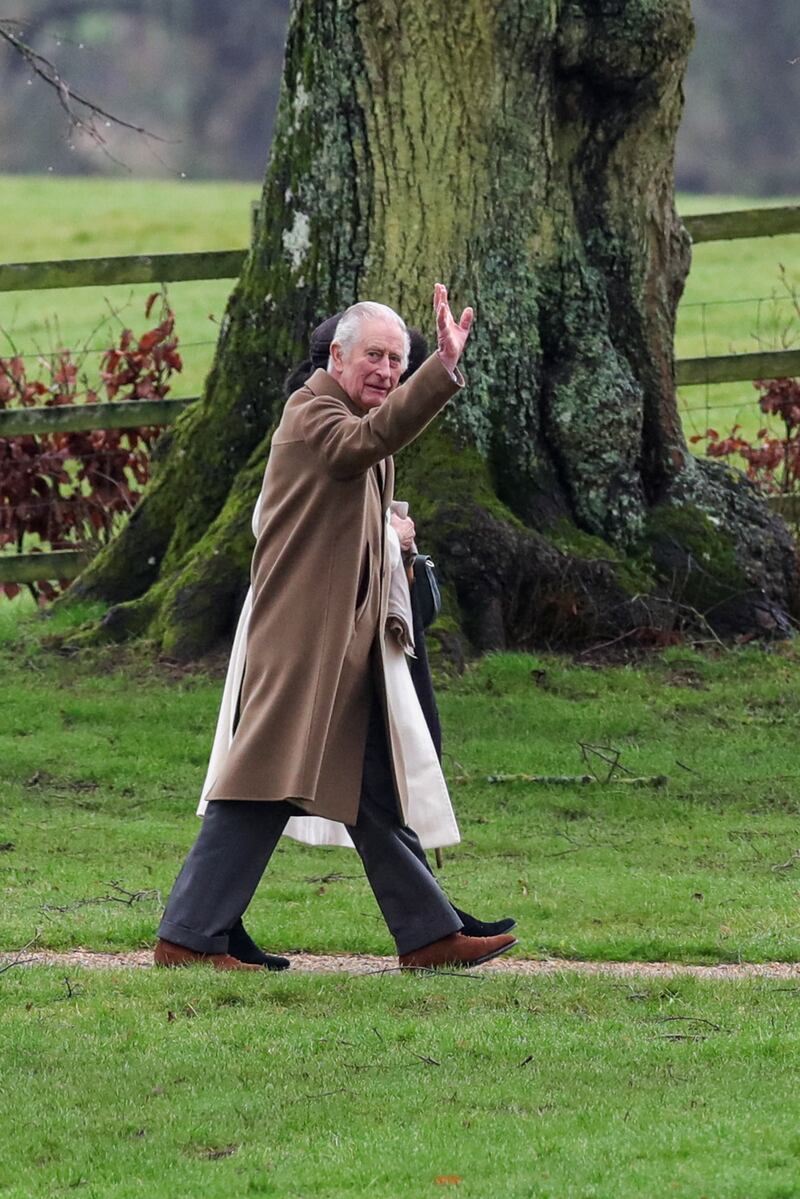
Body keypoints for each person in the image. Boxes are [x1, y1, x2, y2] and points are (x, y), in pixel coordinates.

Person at [154, 285, 517, 972]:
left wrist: (391, 539)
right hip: (300, 642)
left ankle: (428, 934)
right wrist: (442, 370)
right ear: (339, 357)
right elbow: (358, 448)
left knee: (373, 785)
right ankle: (190, 937)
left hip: (344, 643)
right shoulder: (313, 411)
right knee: (261, 784)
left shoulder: (354, 418)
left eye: (398, 361)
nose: (387, 370)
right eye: (375, 356)